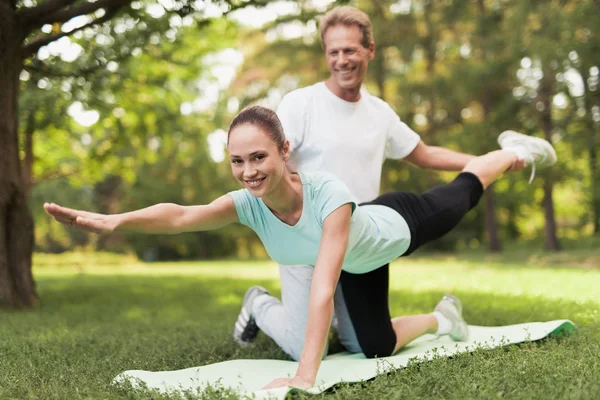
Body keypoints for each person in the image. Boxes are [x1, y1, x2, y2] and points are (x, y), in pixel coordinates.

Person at [44, 106, 556, 390]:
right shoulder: (247, 202)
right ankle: (446, 317)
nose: (249, 172)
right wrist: (116, 221)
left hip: (395, 224)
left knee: (463, 190)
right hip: (360, 262)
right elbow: (180, 215)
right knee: (373, 347)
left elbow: (322, 290)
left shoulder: (328, 197)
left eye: (259, 156)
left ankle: (509, 151)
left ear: (285, 151)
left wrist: (305, 376)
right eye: (237, 161)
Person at [234, 5, 527, 364]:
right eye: (334, 52)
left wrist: (485, 164)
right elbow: (275, 160)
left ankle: (442, 317)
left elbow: (425, 154)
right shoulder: (301, 104)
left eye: (350, 50)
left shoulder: (380, 113)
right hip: (305, 236)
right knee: (305, 347)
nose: (342, 60)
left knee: (368, 345)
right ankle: (259, 304)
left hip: (360, 235)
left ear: (369, 50)